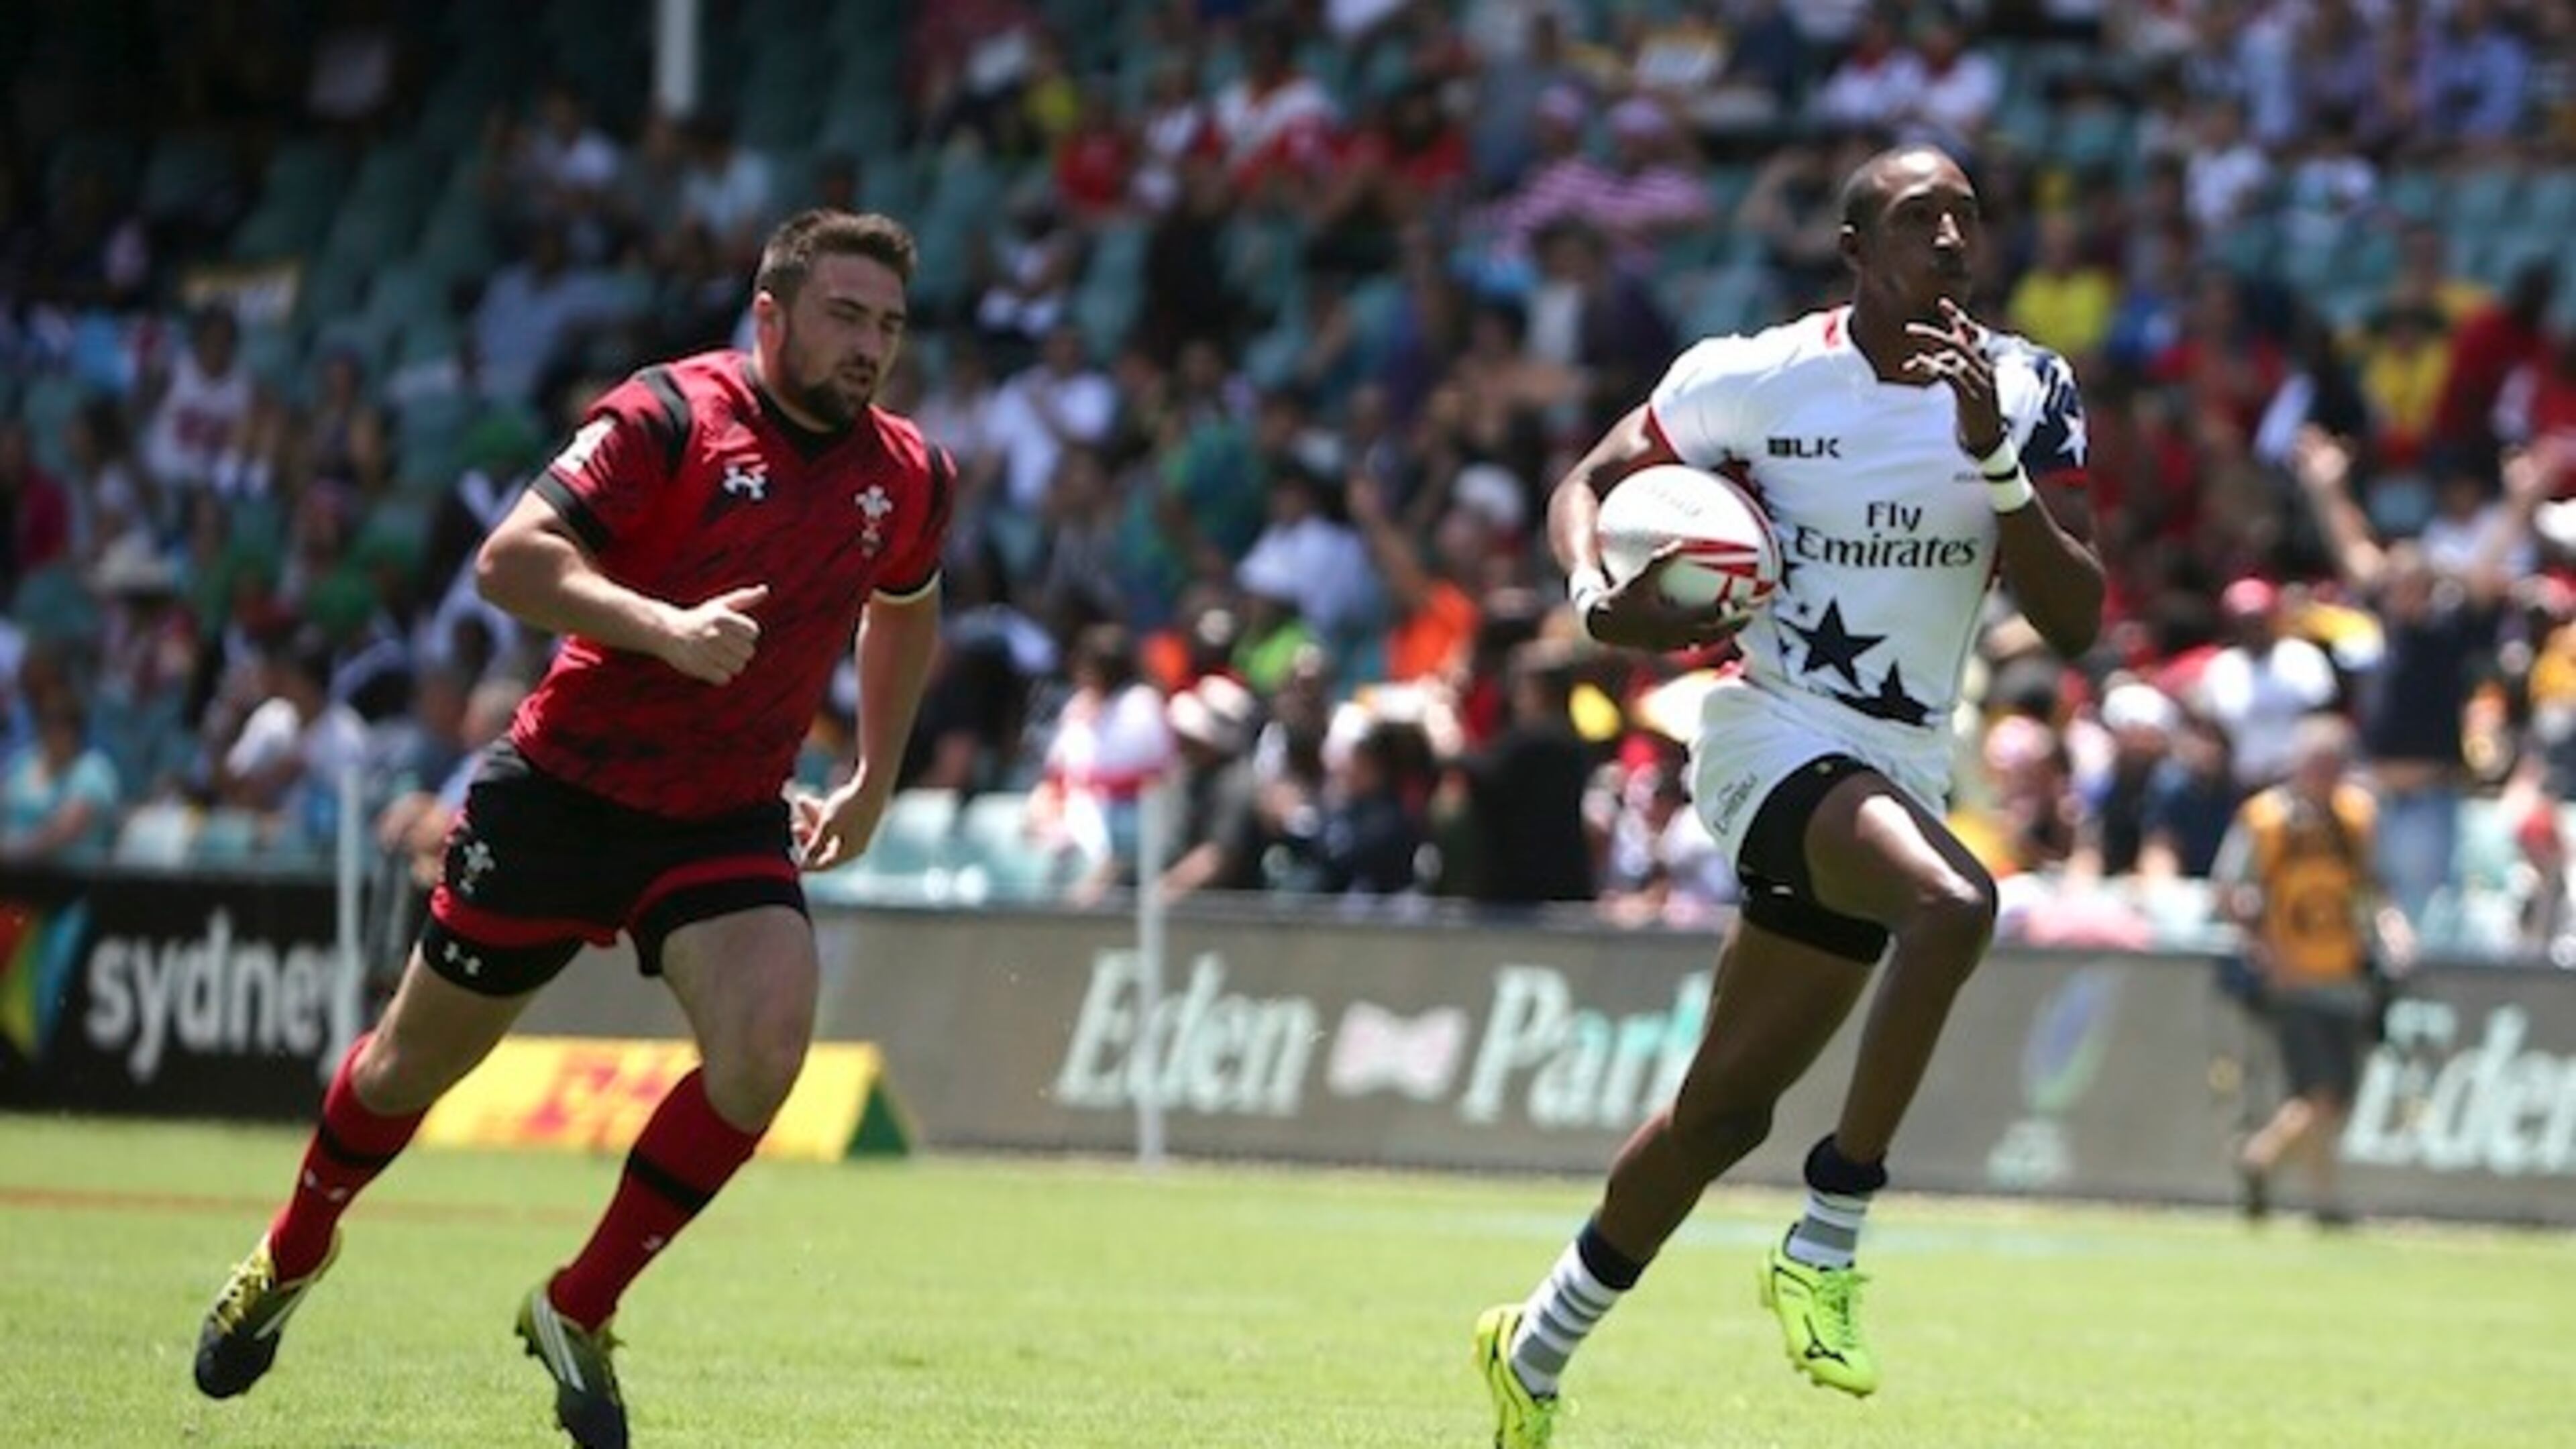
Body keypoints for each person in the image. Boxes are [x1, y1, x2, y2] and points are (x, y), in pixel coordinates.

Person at [191, 210, 951, 1449]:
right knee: (406, 1069)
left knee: (767, 1048)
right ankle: (292, 1251)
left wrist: (872, 777)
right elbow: (508, 562)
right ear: (772, 315)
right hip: (558, 798)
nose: (871, 346)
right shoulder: (666, 417)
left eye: (890, 325)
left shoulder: (908, 473)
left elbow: (907, 607)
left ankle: (577, 1305)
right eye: (845, 316)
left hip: (719, 818)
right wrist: (664, 625)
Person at [1475, 144, 2101, 1440]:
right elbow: (1589, 482)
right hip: (1769, 734)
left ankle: (1531, 1349)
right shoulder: (1751, 376)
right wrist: (1599, 598)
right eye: (1919, 219)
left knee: (1718, 1112)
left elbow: (2079, 616)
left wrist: (1995, 463)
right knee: (1954, 907)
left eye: (1967, 219)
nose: (1950, 240)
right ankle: (1830, 1232)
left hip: (1907, 759)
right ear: (1856, 252)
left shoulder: (2029, 391)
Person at [2215, 714, 2413, 1227]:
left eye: (2333, 766)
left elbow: (2374, 887)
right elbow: (2229, 890)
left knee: (2333, 1098)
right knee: (2320, 1092)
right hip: (2293, 973)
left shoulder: (2356, 818)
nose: (2324, 776)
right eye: (2315, 765)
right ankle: (2259, 1158)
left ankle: (2322, 1199)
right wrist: (2265, 950)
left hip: (2345, 968)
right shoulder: (2265, 819)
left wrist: (2393, 932)